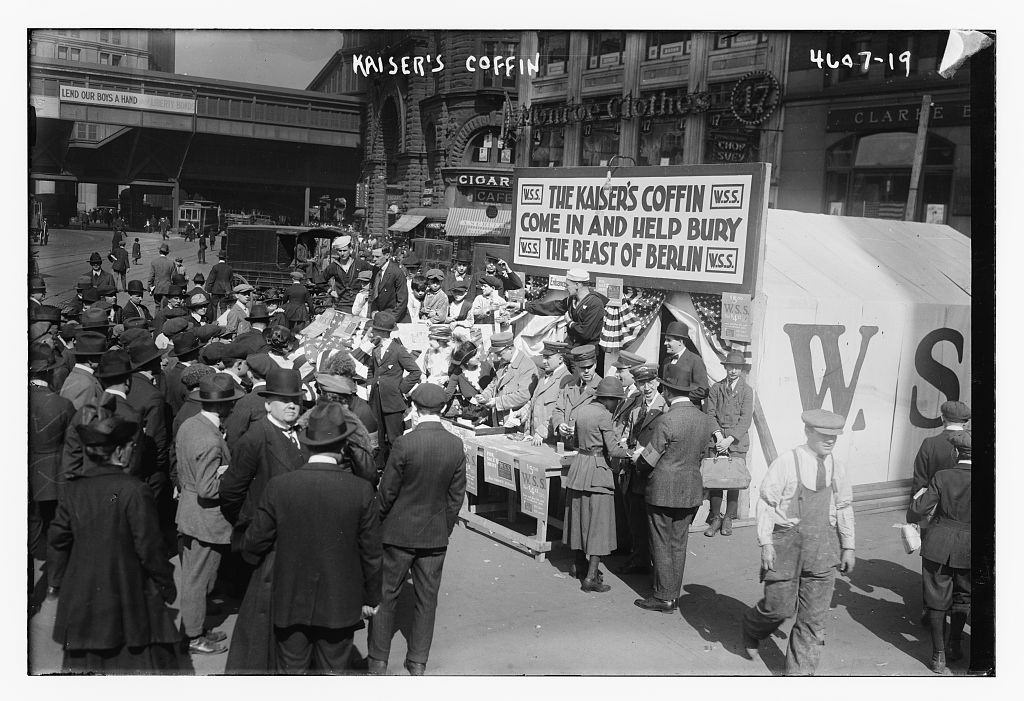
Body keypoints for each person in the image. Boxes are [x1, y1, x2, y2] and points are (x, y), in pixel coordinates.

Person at [239, 403, 383, 674]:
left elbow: (254, 542)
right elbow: (371, 553)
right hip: (340, 603)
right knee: (333, 673)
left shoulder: (279, 487)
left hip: (289, 600)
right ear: (342, 447)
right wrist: (371, 597)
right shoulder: (361, 491)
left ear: (307, 446)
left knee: (291, 673)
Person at [47, 415, 185, 673]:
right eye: (131, 447)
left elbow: (58, 539)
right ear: (120, 451)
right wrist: (166, 584)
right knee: (134, 665)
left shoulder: (74, 489)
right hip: (128, 595)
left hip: (82, 598)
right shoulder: (134, 489)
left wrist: (55, 582)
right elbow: (149, 546)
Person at [741, 409, 856, 675]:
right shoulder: (787, 462)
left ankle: (799, 677)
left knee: (813, 620)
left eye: (834, 437)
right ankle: (753, 625)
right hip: (786, 545)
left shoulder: (837, 467)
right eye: (824, 435)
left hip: (824, 549)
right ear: (808, 432)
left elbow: (844, 506)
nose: (829, 441)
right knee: (778, 608)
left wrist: (848, 546)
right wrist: (766, 543)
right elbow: (767, 503)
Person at [367, 383, 466, 676]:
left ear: (416, 409)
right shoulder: (455, 444)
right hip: (434, 536)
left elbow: (387, 494)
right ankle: (418, 662)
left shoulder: (404, 444)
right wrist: (442, 528)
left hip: (398, 533)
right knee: (427, 600)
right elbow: (455, 496)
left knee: (386, 596)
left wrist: (376, 524)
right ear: (442, 410)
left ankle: (378, 661)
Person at [631, 364, 719, 614]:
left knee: (660, 542)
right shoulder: (704, 420)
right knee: (679, 543)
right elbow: (704, 453)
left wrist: (637, 460)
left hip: (661, 491)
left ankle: (663, 596)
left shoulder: (666, 420)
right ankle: (673, 595)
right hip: (690, 490)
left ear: (667, 391)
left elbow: (648, 460)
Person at [176, 373, 244, 655]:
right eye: (231, 403)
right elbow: (207, 489)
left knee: (198, 575)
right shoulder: (210, 440)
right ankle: (193, 637)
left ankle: (197, 629)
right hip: (205, 518)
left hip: (190, 513)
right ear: (223, 406)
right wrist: (232, 477)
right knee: (198, 579)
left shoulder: (191, 425)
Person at [220, 368, 309, 551]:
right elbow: (230, 493)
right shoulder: (255, 438)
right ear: (268, 404)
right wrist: (254, 528)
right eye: (284, 400)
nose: (291, 405)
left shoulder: (304, 434)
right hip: (268, 540)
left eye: (295, 400)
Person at [907, 431, 972, 675]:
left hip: (938, 544)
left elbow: (919, 508)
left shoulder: (942, 476)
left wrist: (914, 510)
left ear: (956, 452)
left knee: (936, 600)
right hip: (970, 548)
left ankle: (938, 655)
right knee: (963, 597)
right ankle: (956, 645)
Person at [563, 377, 632, 592]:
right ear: (609, 399)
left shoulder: (582, 410)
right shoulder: (604, 415)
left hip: (578, 468)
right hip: (597, 472)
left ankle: (578, 566)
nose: (616, 405)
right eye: (616, 401)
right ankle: (591, 578)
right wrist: (631, 452)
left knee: (579, 519)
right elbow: (612, 449)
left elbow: (574, 442)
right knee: (599, 524)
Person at [614, 364, 665, 575]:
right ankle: (639, 558)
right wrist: (627, 447)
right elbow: (628, 435)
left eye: (650, 383)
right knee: (634, 517)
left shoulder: (666, 408)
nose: (646, 388)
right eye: (642, 383)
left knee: (650, 521)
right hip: (634, 470)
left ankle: (652, 563)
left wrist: (645, 453)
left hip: (653, 471)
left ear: (657, 383)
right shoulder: (636, 410)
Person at [352, 312, 421, 464]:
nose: (373, 333)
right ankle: (379, 465)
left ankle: (396, 466)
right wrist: (370, 384)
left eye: (375, 330)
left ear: (383, 332)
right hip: (375, 398)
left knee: (394, 437)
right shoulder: (375, 347)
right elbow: (371, 368)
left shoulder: (398, 350)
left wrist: (401, 389)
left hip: (392, 399)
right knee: (377, 433)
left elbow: (416, 372)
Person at [29, 344, 76, 567]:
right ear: (49, 372)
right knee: (53, 528)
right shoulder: (62, 404)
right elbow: (73, 442)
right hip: (52, 475)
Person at [702, 349, 754, 537]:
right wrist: (718, 437)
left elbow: (745, 419)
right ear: (726, 368)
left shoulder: (747, 391)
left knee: (734, 481)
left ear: (741, 370)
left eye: (737, 368)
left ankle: (729, 519)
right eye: (730, 367)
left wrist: (730, 439)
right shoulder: (716, 388)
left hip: (736, 443)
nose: (733, 371)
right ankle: (716, 517)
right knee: (716, 480)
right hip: (717, 440)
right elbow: (710, 414)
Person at [521, 267, 607, 350]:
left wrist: (569, 322)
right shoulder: (571, 300)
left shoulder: (595, 304)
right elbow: (551, 307)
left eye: (567, 285)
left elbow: (585, 333)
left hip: (586, 354)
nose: (565, 288)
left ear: (577, 285)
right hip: (570, 349)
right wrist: (523, 306)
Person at [472, 331, 538, 426]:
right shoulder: (505, 361)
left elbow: (523, 395)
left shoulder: (527, 366)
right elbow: (495, 383)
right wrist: (485, 396)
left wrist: (496, 402)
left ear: (510, 348)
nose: (498, 357)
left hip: (515, 420)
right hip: (499, 418)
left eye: (500, 353)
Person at [517, 340, 573, 445]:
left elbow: (559, 412)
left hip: (551, 442)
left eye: (548, 357)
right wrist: (524, 410)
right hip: (535, 438)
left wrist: (541, 432)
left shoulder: (567, 380)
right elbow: (535, 401)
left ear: (560, 359)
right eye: (543, 357)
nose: (543, 361)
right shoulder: (544, 377)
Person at [912, 400, 971, 494]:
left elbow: (919, 481)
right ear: (966, 422)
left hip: (936, 503)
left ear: (942, 418)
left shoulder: (929, 443)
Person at [551, 345, 602, 449]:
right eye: (583, 368)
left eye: (589, 367)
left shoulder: (602, 388)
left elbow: (603, 422)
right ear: (577, 368)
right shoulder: (570, 386)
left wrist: (580, 430)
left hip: (587, 449)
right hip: (566, 446)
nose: (587, 371)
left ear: (595, 365)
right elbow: (558, 409)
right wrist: (560, 424)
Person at [661, 321, 709, 405]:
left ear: (680, 342)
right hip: (668, 410)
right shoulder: (666, 360)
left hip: (688, 410)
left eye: (669, 340)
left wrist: (678, 398)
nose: (665, 343)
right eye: (665, 339)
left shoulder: (695, 360)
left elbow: (703, 391)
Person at [58, 331, 107, 410]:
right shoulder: (87, 384)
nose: (102, 360)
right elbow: (82, 418)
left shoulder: (76, 376)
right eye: (100, 356)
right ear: (91, 360)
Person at [368, 245, 410, 323]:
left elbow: (402, 300)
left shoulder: (397, 272)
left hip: (396, 318)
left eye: (377, 257)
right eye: (373, 256)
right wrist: (373, 310)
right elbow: (373, 291)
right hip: (380, 316)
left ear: (387, 255)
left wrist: (391, 319)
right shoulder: (376, 269)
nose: (374, 259)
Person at [206, 252, 235, 317]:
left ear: (219, 258)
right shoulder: (229, 268)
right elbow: (231, 280)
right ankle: (223, 321)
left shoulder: (215, 267)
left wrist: (208, 290)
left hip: (215, 290)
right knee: (223, 307)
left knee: (214, 306)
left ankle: (214, 320)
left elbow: (211, 279)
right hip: (225, 291)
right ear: (225, 259)